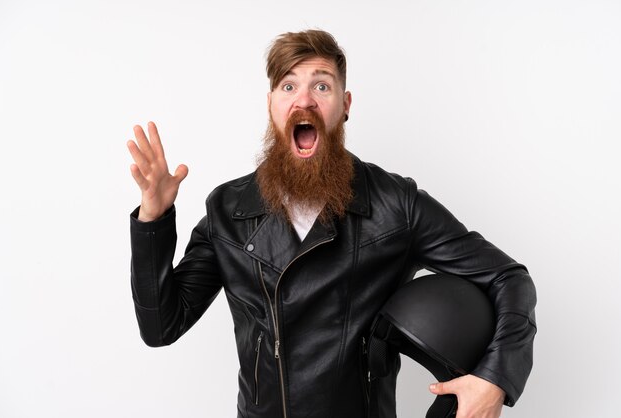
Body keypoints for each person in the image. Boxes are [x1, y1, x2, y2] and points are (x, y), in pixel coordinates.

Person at [127, 30, 537, 418]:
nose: (304, 100)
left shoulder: (396, 204)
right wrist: (154, 218)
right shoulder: (228, 209)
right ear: (271, 105)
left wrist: (494, 379)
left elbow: (508, 278)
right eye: (289, 87)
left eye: (321, 86)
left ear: (345, 106)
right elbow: (162, 325)